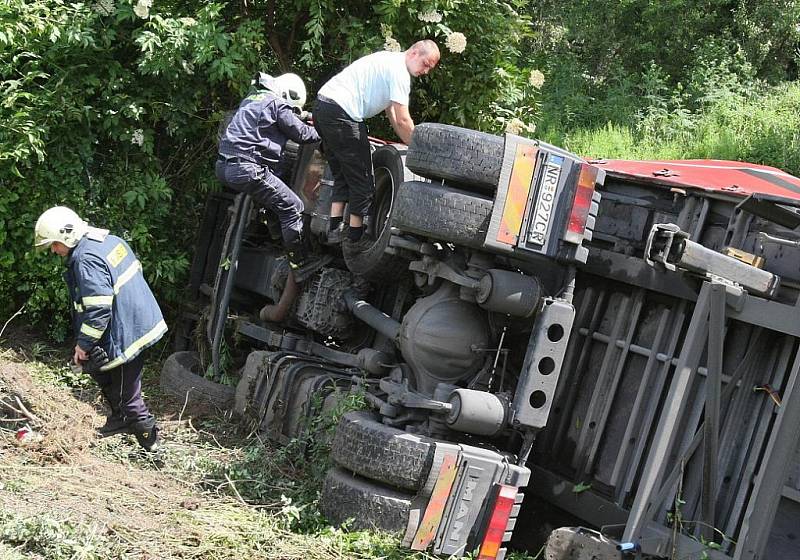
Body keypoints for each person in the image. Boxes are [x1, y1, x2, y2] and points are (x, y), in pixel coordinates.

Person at [34, 206, 167, 452]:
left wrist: (83, 345)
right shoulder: (107, 241)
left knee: (130, 399)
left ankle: (153, 448)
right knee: (98, 367)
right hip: (136, 321)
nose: (54, 251)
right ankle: (119, 419)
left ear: (67, 235)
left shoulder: (86, 259)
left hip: (129, 332)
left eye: (54, 244)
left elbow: (98, 310)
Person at [313, 40, 440, 246]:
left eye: (429, 68)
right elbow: (403, 119)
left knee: (343, 173)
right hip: (342, 115)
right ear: (414, 52)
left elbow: (393, 116)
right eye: (425, 64)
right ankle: (354, 237)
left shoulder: (386, 59)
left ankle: (334, 229)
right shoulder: (399, 72)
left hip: (322, 108)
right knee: (363, 179)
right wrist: (420, 149)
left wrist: (408, 142)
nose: (425, 71)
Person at [216, 72, 327, 283]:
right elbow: (302, 134)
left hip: (225, 166)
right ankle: (301, 264)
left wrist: (298, 115)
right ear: (289, 95)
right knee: (293, 207)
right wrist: (327, 131)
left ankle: (279, 236)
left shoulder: (254, 98)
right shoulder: (278, 104)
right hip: (247, 168)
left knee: (275, 192)